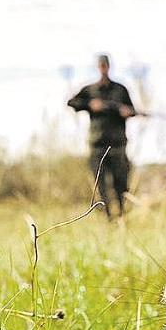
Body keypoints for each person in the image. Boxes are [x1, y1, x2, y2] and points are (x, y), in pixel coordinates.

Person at [67, 54, 136, 219]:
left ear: (109, 66)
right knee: (101, 184)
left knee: (121, 180)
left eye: (105, 65)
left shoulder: (120, 90)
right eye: (101, 65)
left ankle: (120, 214)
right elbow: (72, 102)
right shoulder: (90, 90)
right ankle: (107, 217)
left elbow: (131, 110)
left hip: (118, 144)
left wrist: (127, 112)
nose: (103, 68)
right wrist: (90, 105)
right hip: (97, 144)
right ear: (98, 67)